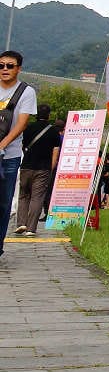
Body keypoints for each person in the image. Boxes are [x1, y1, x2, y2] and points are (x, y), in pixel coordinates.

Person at [0, 50, 36, 256]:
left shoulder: (26, 92)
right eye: (1, 65)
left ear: (18, 69)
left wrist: (2, 145)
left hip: (10, 156)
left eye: (10, 66)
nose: (5, 69)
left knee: (4, 203)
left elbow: (21, 124)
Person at [14, 103, 62, 235]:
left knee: (23, 195)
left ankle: (21, 223)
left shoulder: (28, 128)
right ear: (48, 115)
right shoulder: (53, 132)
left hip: (26, 166)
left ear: (36, 114)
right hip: (43, 169)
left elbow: (23, 147)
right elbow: (55, 153)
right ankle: (31, 228)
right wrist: (50, 169)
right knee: (37, 197)